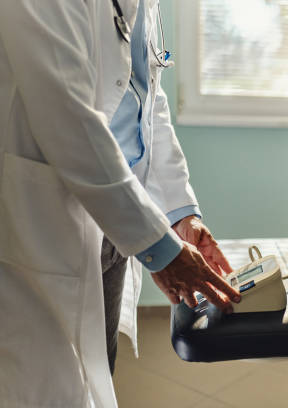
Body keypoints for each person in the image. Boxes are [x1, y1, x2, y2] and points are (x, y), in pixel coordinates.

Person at [0, 1, 240, 407]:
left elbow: (147, 100)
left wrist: (178, 214)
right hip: (43, 218)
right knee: (42, 386)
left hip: (118, 226)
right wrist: (158, 246)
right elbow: (67, 117)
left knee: (97, 366)